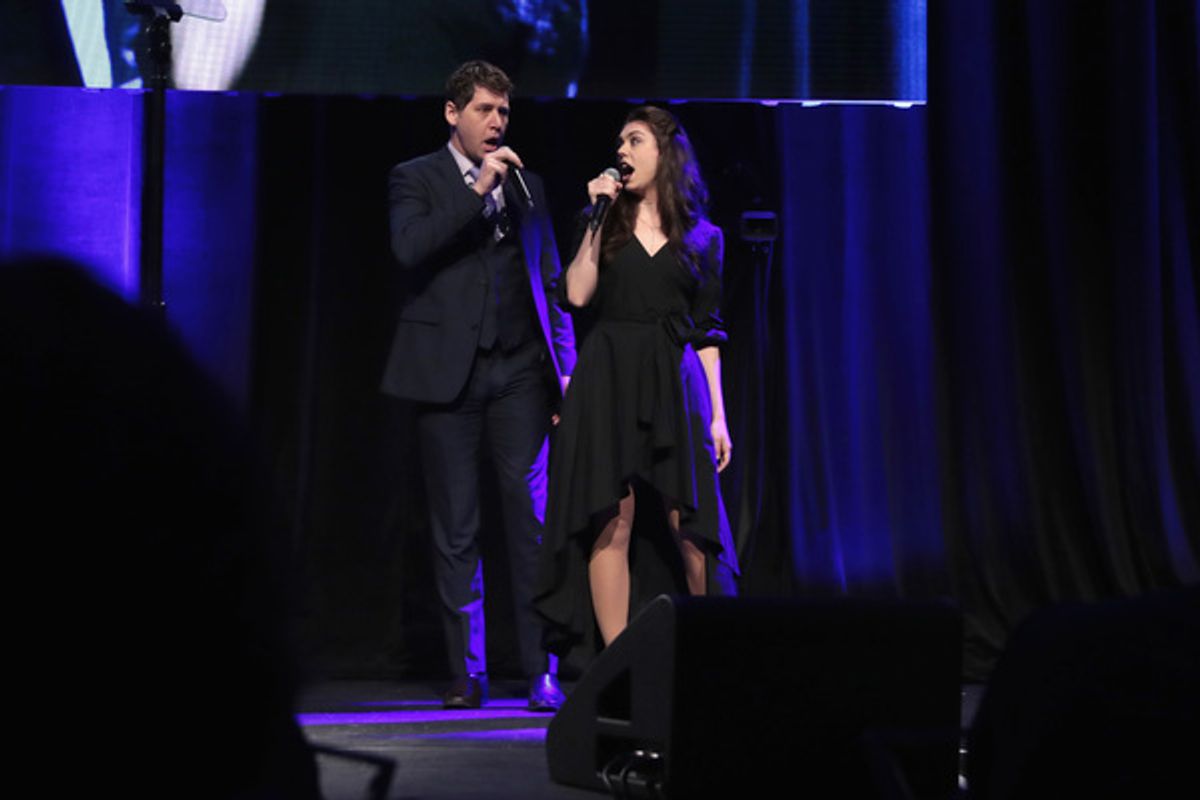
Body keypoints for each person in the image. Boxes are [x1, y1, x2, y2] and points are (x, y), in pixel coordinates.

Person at [380, 60, 576, 710]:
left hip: (519, 371)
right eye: (484, 111)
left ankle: (541, 669)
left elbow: (551, 282)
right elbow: (409, 250)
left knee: (532, 522)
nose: (496, 124)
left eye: (503, 113)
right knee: (457, 528)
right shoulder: (415, 178)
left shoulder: (529, 187)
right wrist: (474, 192)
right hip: (448, 380)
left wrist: (565, 370)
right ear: (452, 113)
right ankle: (468, 673)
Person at [535, 106, 739, 654]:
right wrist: (597, 216)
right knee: (611, 521)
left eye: (634, 140)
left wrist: (718, 416)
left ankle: (706, 652)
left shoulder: (703, 237)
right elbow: (577, 295)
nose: (621, 151)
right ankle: (618, 664)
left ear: (665, 151)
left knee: (692, 527)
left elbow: (707, 335)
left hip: (675, 379)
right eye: (619, 141)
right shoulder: (602, 220)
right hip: (608, 377)